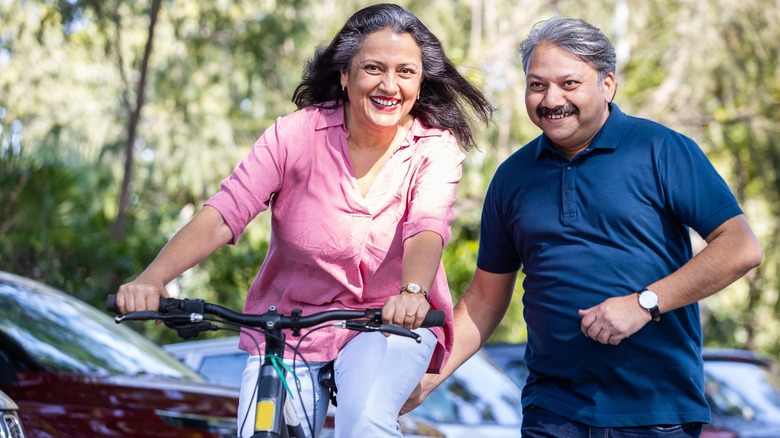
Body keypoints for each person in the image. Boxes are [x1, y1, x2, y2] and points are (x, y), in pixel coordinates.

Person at [114, 3, 492, 437]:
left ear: (421, 82)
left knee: (365, 419)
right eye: (373, 68)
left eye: (406, 72)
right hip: (288, 329)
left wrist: (412, 292)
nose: (390, 85)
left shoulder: (435, 149)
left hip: (389, 325)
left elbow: (426, 226)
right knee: (262, 429)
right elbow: (225, 212)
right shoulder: (295, 134)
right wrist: (153, 278)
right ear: (344, 75)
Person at [402, 16, 763, 438]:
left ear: (607, 84)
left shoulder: (661, 149)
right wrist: (430, 379)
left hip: (655, 413)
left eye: (569, 83)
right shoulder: (512, 177)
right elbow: (484, 298)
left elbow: (740, 247)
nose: (551, 98)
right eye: (537, 85)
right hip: (552, 412)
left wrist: (645, 303)